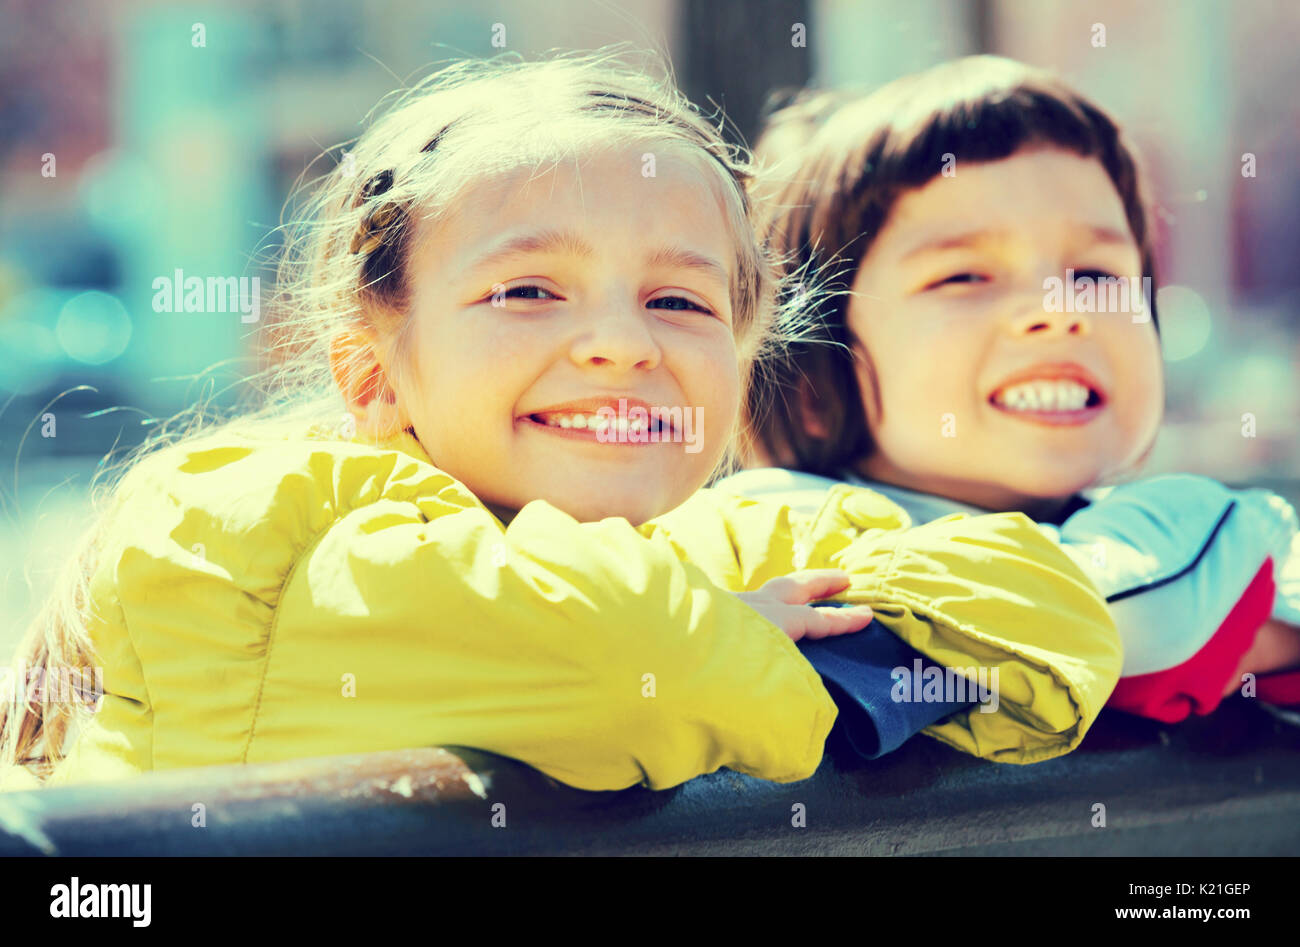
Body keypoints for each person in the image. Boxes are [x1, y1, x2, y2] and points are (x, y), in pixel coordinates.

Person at [0, 52, 1121, 794]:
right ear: (373, 372)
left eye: (679, 301)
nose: (622, 343)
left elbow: (1050, 615)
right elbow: (626, 657)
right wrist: (792, 656)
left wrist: (762, 641)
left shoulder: (695, 549)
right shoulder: (260, 526)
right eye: (528, 290)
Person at [716, 55, 1300, 740]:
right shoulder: (774, 528)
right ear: (808, 375)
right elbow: (1135, 621)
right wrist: (1229, 564)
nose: (1057, 310)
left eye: (1094, 273)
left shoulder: (1114, 524)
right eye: (965, 275)